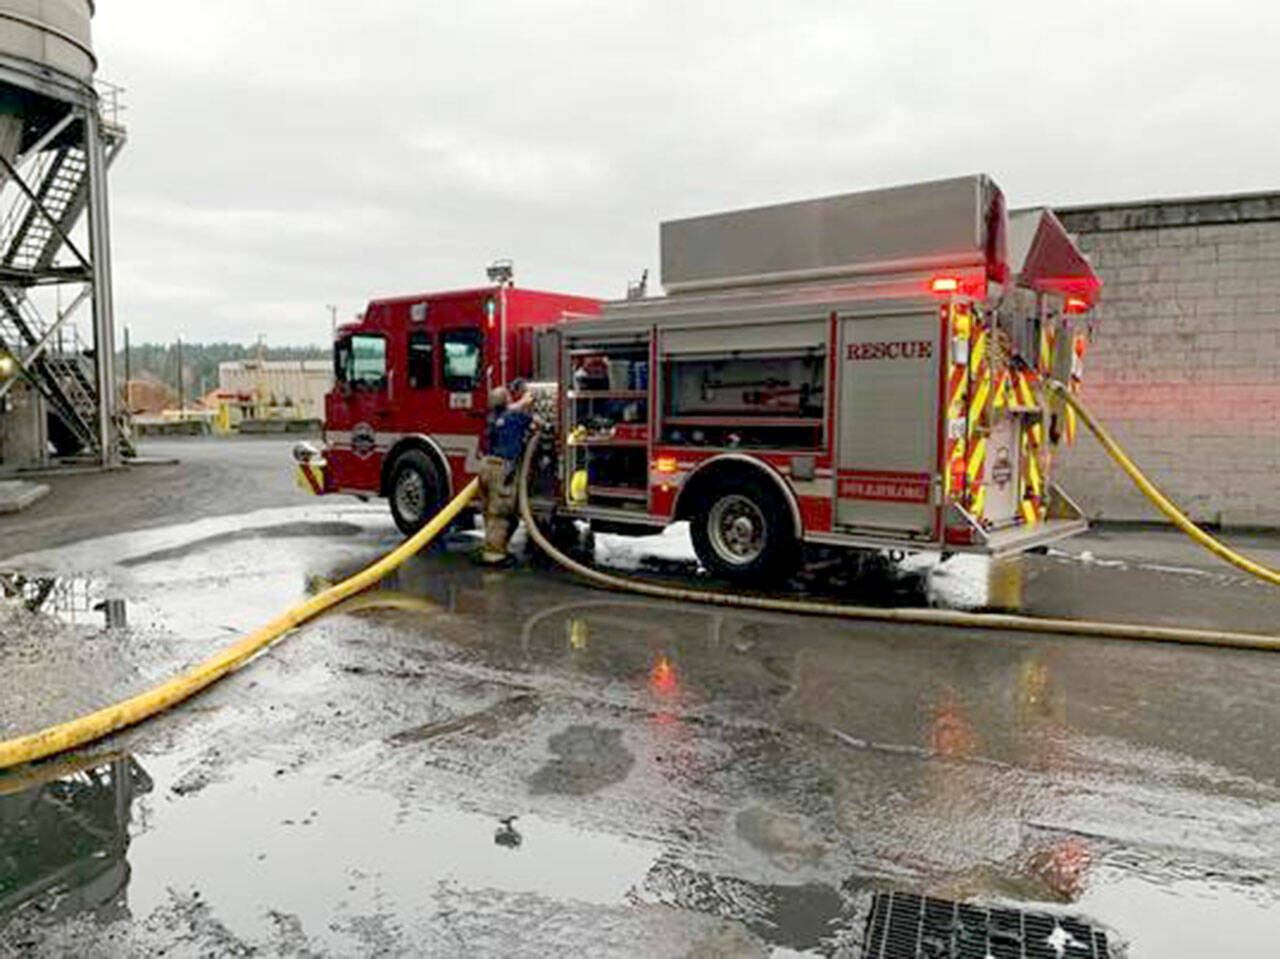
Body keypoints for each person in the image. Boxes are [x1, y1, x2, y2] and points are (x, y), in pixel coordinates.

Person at [478, 380, 537, 566]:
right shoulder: (516, 417)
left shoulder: (492, 417)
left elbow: (508, 411)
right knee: (501, 513)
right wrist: (529, 401)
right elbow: (539, 424)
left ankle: (493, 547)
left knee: (490, 512)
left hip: (486, 466)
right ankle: (495, 556)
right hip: (502, 469)